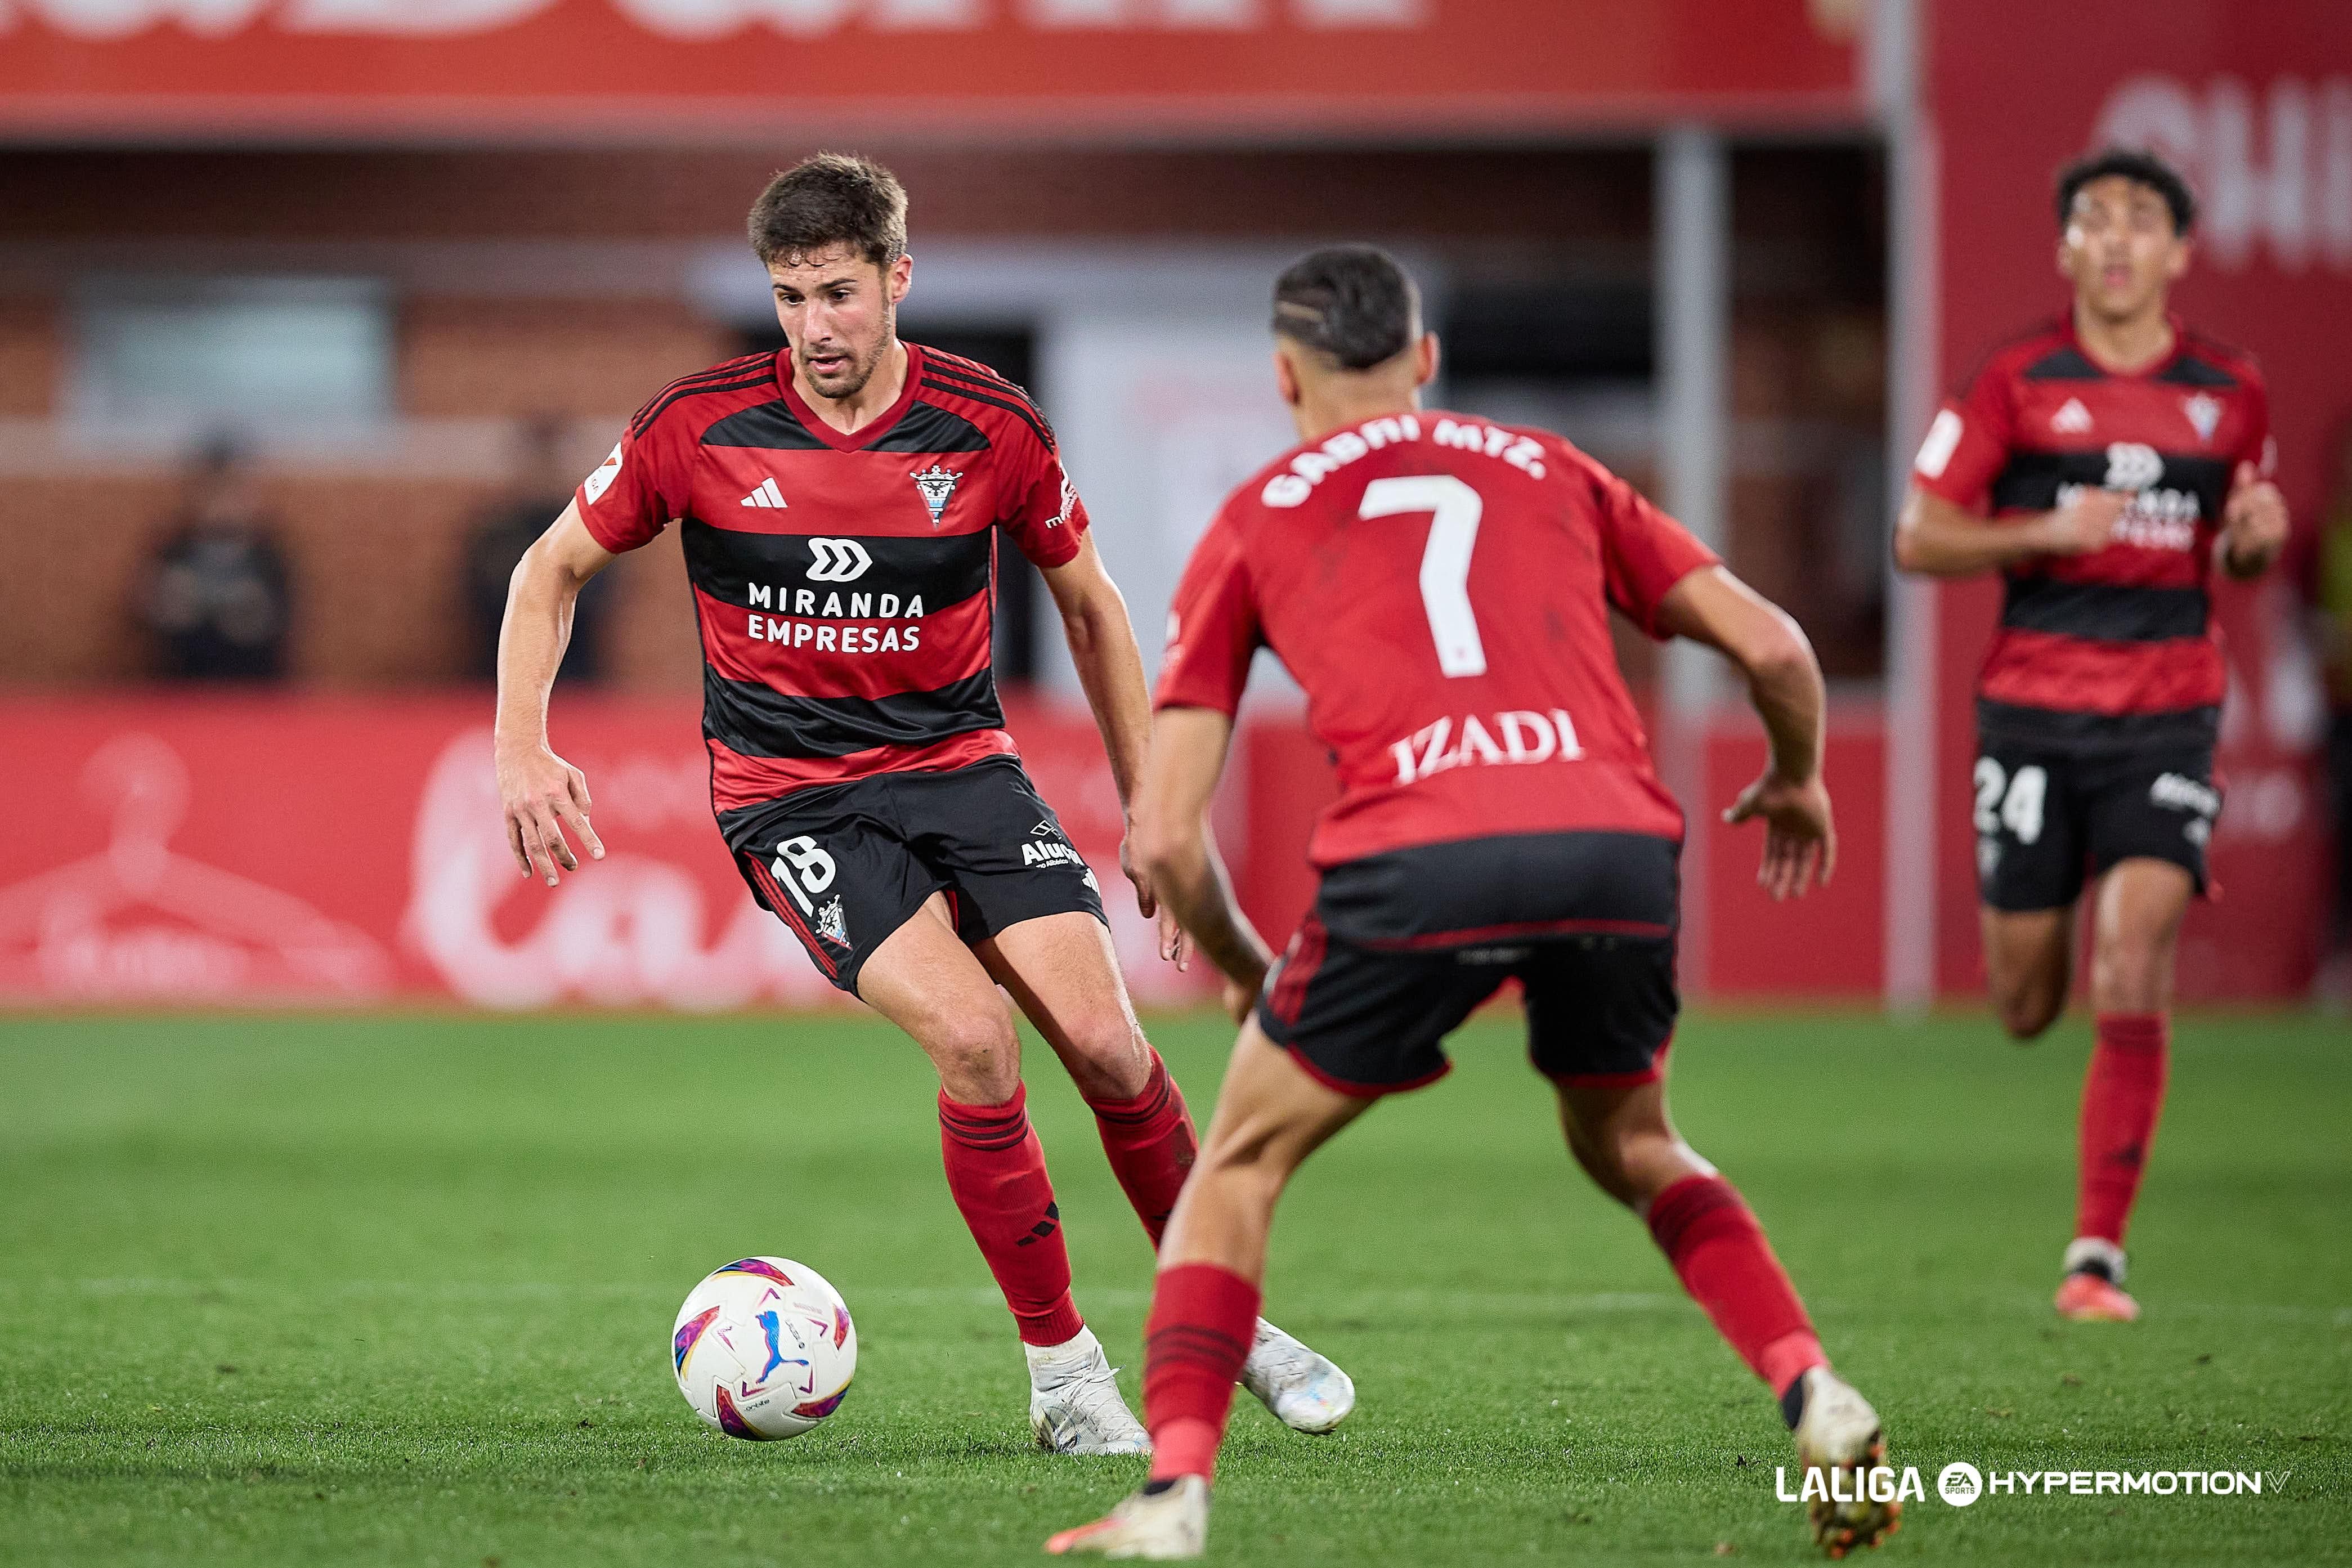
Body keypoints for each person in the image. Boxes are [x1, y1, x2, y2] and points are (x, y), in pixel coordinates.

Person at [491, 153, 1350, 1454]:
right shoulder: (700, 427)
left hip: (962, 768)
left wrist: (1149, 812)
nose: (812, 329)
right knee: (974, 1044)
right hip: (795, 802)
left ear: (898, 278)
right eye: (787, 299)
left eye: (836, 294)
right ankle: (1066, 1379)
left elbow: (1093, 606)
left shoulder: (988, 425)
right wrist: (522, 748)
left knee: (1113, 1051)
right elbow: (548, 573)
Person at [1049, 247, 1897, 1560]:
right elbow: (1777, 646)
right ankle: (1813, 1387)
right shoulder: (1551, 468)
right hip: (1612, 846)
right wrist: (1794, 776)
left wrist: (1241, 962)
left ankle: (1172, 1496)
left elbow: (1163, 828)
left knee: (1243, 1162)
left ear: (1283, 376)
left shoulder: (1257, 517)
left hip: (1423, 850)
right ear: (1426, 363)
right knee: (1634, 1143)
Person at [1893, 147, 2290, 1323]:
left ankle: (2093, 1259)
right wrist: (2041, 531)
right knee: (2023, 1003)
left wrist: (2256, 541)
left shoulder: (2230, 391)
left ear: (2177, 251)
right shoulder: (2013, 382)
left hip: (2166, 712)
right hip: (2030, 710)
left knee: (2133, 951)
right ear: (2064, 247)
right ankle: (2039, 947)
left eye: (2139, 221)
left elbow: (2240, 549)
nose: (2115, 240)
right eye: (2093, 220)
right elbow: (1921, 536)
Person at [464, 416, 613, 683]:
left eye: (552, 461)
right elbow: (479, 601)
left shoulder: (592, 529)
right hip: (501, 676)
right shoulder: (497, 533)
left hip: (577, 678)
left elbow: (600, 599)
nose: (543, 471)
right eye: (535, 460)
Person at [139, 434, 294, 681]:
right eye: (213, 491)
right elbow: (148, 614)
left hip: (256, 690)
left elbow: (282, 622)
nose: (223, 503)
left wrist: (251, 612)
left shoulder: (269, 556)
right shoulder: (173, 551)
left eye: (233, 491)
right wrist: (168, 603)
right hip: (182, 688)